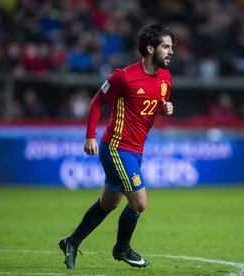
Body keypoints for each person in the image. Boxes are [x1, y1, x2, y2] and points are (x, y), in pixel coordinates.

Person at [58, 24, 175, 270]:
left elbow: (152, 104)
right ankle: (122, 248)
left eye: (171, 47)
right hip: (116, 147)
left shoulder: (166, 77)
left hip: (136, 150)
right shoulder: (124, 76)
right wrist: (90, 136)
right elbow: (97, 102)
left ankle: (72, 241)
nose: (171, 51)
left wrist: (164, 108)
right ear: (150, 48)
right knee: (139, 202)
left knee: (108, 203)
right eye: (166, 46)